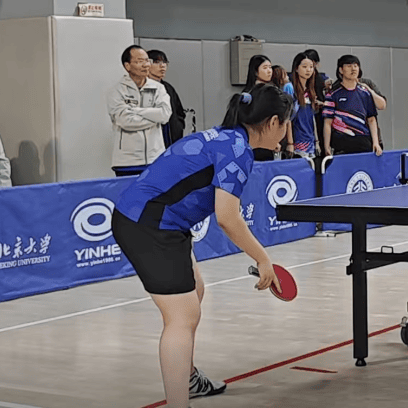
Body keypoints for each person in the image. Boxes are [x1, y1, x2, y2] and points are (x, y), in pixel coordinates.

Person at [111, 83, 294, 408]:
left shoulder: (227, 137)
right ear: (272, 123)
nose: (285, 132)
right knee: (182, 317)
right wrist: (262, 258)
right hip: (149, 225)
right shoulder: (238, 150)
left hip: (157, 220)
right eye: (285, 124)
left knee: (195, 290)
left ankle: (187, 377)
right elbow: (227, 217)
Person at [107, 45, 171, 177]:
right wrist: (154, 118)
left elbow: (165, 115)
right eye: (140, 61)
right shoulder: (117, 91)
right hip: (127, 161)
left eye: (147, 61)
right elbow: (125, 121)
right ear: (127, 66)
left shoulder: (158, 88)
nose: (146, 65)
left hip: (155, 158)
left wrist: (137, 111)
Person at [322, 55, 380, 156]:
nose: (353, 69)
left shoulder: (365, 93)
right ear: (341, 70)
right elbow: (327, 122)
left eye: (356, 66)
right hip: (341, 144)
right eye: (349, 66)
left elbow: (371, 119)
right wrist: (326, 147)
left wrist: (376, 143)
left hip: (363, 143)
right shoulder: (332, 94)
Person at [147, 50, 186, 147]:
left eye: (165, 62)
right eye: (157, 62)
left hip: (171, 141)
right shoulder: (142, 88)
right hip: (150, 143)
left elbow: (179, 112)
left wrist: (178, 128)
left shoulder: (168, 88)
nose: (163, 66)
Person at [289, 53, 318, 158]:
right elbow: (287, 119)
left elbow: (312, 118)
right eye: (304, 67)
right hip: (297, 141)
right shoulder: (291, 89)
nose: (308, 70)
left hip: (310, 141)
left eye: (311, 67)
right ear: (296, 68)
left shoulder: (311, 91)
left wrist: (317, 141)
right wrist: (290, 143)